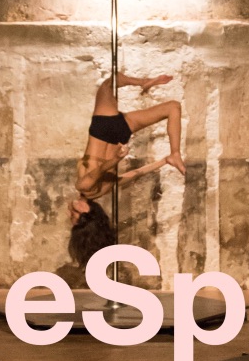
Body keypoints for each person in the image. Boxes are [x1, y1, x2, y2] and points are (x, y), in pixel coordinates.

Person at [69, 72, 184, 268]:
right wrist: (115, 159)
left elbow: (134, 174)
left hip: (121, 132)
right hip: (103, 127)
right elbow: (98, 171)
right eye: (74, 216)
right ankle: (143, 82)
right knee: (109, 82)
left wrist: (164, 161)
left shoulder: (102, 191)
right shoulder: (84, 186)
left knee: (173, 107)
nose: (70, 213)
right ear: (86, 212)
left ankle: (174, 154)